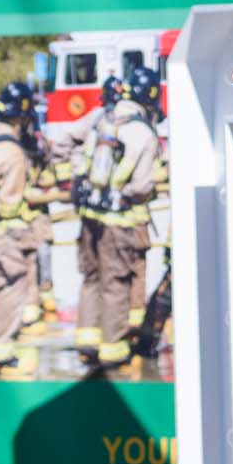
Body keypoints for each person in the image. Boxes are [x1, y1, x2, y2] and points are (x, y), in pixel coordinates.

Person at [71, 64, 161, 372]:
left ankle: (87, 342)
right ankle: (113, 350)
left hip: (89, 217)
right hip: (118, 221)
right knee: (116, 283)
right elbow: (141, 187)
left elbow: (74, 149)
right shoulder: (144, 133)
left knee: (91, 277)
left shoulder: (103, 118)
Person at [0, 82, 39, 373]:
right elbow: (9, 201)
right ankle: (0, 349)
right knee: (12, 284)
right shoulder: (12, 151)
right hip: (1, 233)